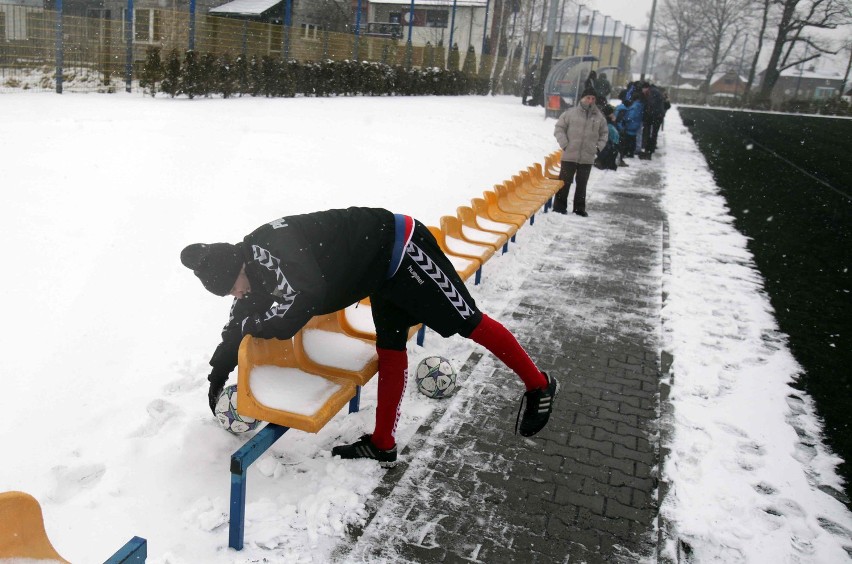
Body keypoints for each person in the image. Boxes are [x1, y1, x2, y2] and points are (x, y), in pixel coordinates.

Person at [180, 207, 559, 467]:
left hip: (401, 247)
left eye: (234, 288)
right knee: (389, 347)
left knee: (467, 320)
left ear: (238, 268)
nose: (238, 295)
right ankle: (382, 444)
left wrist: (257, 325)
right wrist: (218, 372)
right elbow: (240, 320)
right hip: (380, 273)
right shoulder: (252, 270)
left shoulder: (275, 249)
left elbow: (304, 298)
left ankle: (538, 385)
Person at [552, 87, 609, 217]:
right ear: (582, 98)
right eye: (588, 97)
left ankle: (579, 208)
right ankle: (559, 207)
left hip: (587, 157)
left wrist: (597, 148)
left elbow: (604, 134)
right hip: (569, 155)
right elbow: (559, 129)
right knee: (564, 182)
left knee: (582, 184)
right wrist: (565, 144)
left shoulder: (599, 117)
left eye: (593, 98)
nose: (590, 100)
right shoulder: (570, 114)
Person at [638, 81, 666, 160]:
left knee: (651, 133)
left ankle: (649, 150)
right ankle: (650, 149)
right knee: (653, 133)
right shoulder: (654, 91)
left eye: (642, 89)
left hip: (655, 116)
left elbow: (651, 104)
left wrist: (647, 114)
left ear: (645, 88)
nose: (642, 91)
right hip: (657, 115)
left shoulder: (652, 92)